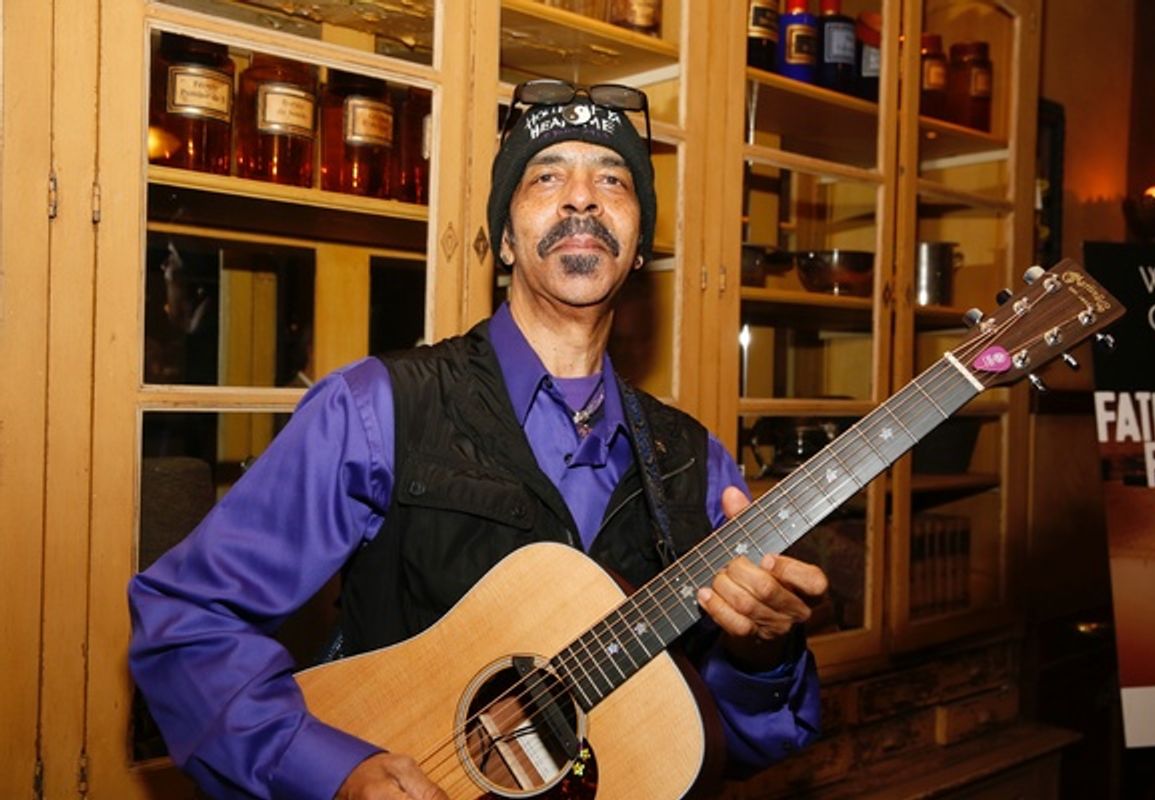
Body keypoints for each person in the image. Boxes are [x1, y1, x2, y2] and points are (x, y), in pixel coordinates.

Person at [129, 80, 828, 800]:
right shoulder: (377, 410)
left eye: (612, 178)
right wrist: (334, 772)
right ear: (502, 237)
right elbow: (185, 620)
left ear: (640, 244)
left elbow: (729, 743)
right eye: (547, 175)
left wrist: (759, 653)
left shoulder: (695, 463)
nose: (582, 197)